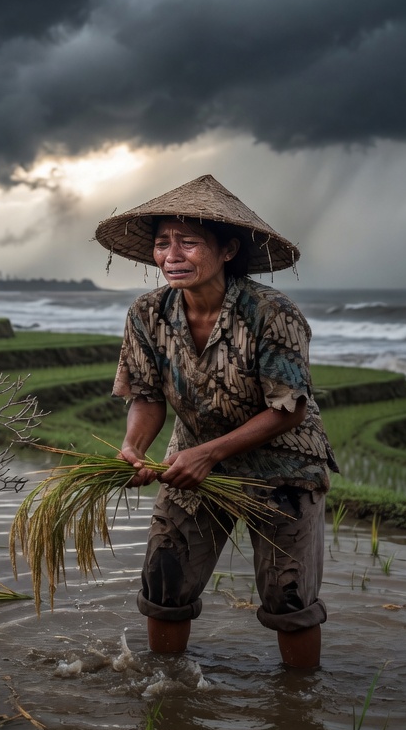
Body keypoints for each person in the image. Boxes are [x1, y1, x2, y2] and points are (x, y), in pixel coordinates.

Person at [94, 174, 338, 669]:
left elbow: (287, 409)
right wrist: (135, 448)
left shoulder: (272, 313)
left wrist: (210, 453)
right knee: (165, 579)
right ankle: (166, 689)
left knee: (288, 599)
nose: (172, 254)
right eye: (163, 243)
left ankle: (299, 707)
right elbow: (146, 396)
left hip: (283, 468)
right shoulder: (147, 314)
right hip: (192, 461)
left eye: (189, 242)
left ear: (227, 250)